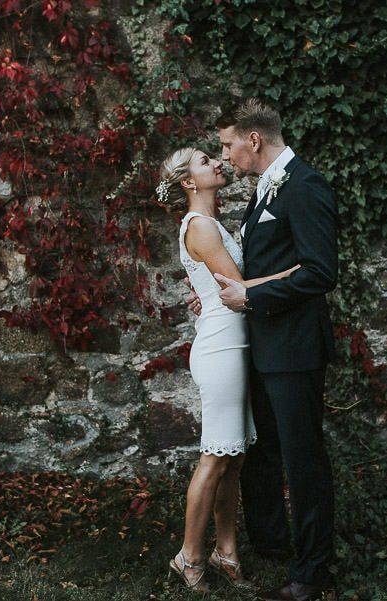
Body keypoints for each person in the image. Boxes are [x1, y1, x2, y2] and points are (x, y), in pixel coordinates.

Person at [212, 98, 339, 601]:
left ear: (254, 139)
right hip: (262, 347)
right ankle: (272, 544)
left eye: (227, 144)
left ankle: (311, 574)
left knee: (303, 460)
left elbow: (319, 271)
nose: (224, 155)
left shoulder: (304, 187)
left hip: (295, 350)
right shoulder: (264, 190)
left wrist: (253, 295)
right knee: (262, 453)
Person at [157, 147, 298, 593]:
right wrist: (294, 275)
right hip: (220, 347)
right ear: (188, 182)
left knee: (233, 457)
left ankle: (227, 552)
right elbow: (238, 285)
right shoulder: (199, 226)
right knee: (216, 454)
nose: (217, 162)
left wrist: (208, 291)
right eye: (205, 160)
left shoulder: (212, 224)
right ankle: (190, 557)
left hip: (236, 343)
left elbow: (221, 283)